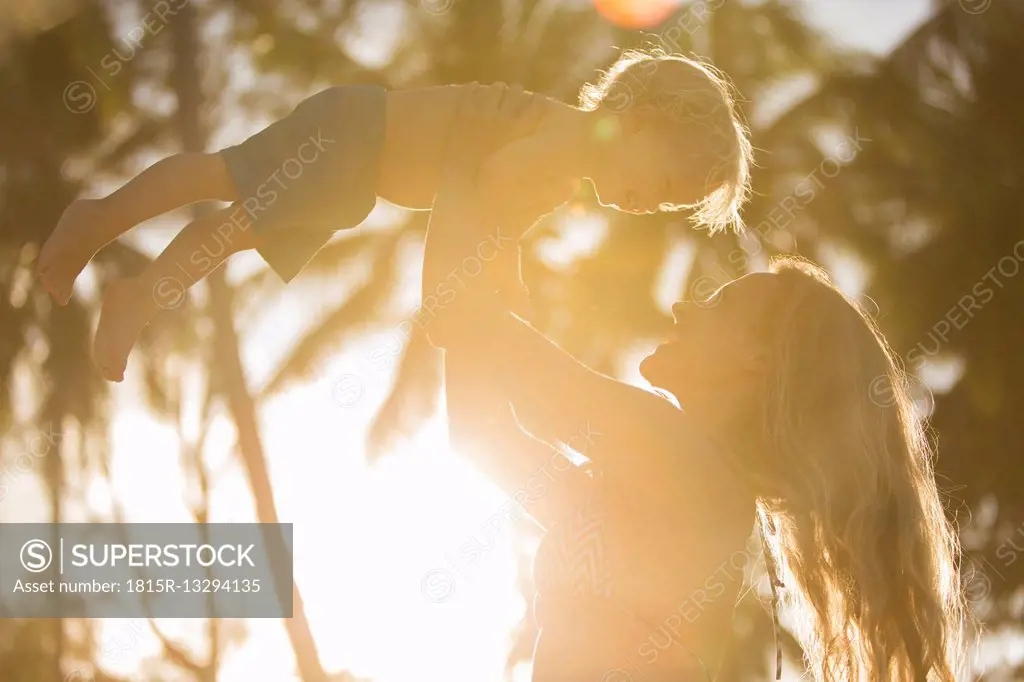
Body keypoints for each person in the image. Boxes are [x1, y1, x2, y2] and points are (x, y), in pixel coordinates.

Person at [421, 87, 968, 681]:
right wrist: (477, 224)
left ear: (759, 364)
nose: (684, 308)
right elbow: (480, 433)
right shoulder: (660, 490)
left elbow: (480, 333)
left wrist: (472, 186)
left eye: (718, 303)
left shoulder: (679, 460)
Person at [35, 48, 752, 383]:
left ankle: (139, 295)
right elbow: (490, 185)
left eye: (666, 204)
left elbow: (496, 217)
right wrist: (498, 288)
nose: (646, 205)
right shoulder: (569, 138)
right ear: (642, 117)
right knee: (223, 177)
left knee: (238, 227)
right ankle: (97, 219)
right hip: (358, 135)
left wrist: (506, 285)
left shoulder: (565, 167)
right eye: (659, 183)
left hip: (361, 169)